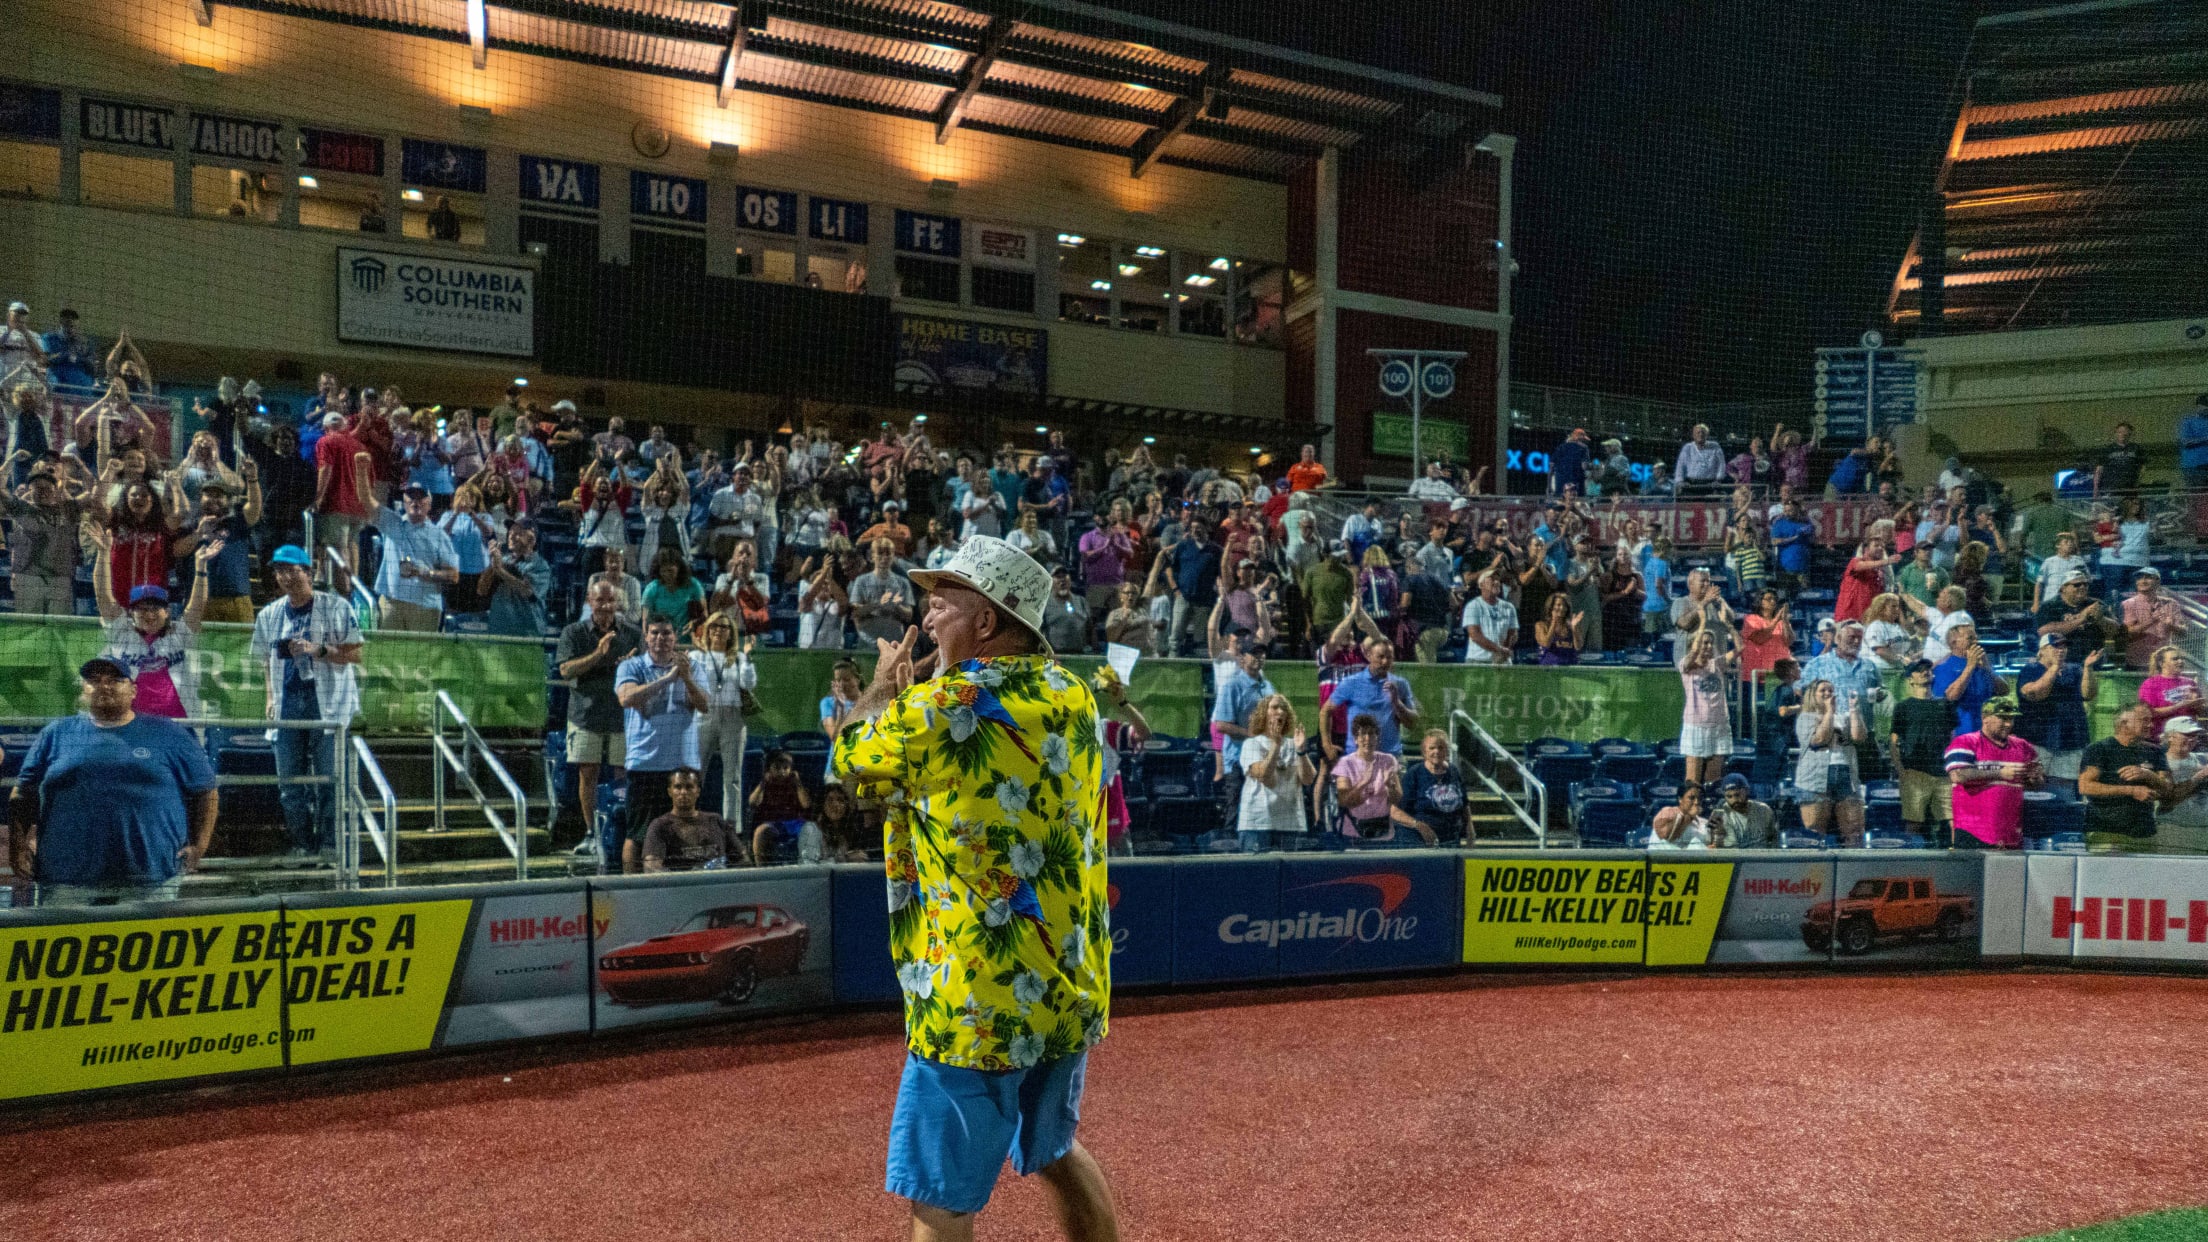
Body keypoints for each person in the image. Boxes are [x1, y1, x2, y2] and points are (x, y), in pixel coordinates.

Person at [824, 534, 1117, 1239]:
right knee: (1055, 1151)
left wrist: (879, 686)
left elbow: (847, 761)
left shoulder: (946, 705)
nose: (924, 616)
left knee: (942, 1199)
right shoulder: (1072, 692)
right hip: (1066, 981)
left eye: (942, 601)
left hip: (975, 1000)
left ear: (987, 621)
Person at [9, 658, 220, 906]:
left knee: (146, 944)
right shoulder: (56, 733)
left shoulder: (169, 733)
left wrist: (200, 845)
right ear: (83, 691)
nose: (104, 686)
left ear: (133, 690)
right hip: (65, 878)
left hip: (148, 877)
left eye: (115, 680)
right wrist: (17, 846)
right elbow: (22, 794)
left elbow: (206, 791)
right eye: (94, 681)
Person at [250, 544, 363, 865]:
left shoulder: (336, 607)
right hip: (287, 705)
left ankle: (329, 845)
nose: (285, 577)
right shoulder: (268, 614)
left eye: (291, 570)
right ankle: (302, 845)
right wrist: (270, 696)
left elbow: (356, 653)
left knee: (329, 780)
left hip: (327, 703)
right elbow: (263, 660)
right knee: (289, 783)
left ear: (308, 572)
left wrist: (320, 650)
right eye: (279, 571)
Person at [92, 532, 219, 720]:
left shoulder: (179, 635)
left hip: (178, 725)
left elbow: (197, 605)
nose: (150, 615)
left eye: (156, 608)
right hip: (133, 726)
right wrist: (103, 554)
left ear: (167, 612)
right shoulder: (122, 633)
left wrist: (200, 569)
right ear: (131, 613)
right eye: (142, 609)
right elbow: (103, 595)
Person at [557, 582, 641, 861]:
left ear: (618, 604)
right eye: (599, 600)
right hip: (585, 715)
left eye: (610, 600)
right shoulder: (573, 632)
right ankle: (591, 833)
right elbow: (566, 670)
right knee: (588, 774)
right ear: (589, 601)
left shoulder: (632, 634)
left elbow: (643, 670)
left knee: (621, 776)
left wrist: (628, 666)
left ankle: (618, 831)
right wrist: (598, 655)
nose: (605, 605)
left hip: (621, 717)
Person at [615, 617, 706, 874]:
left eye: (667, 633)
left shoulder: (693, 666)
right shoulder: (632, 666)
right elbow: (626, 698)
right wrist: (668, 678)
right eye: (654, 633)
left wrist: (685, 678)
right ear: (646, 636)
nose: (660, 638)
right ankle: (630, 888)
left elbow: (704, 705)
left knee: (681, 833)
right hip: (645, 763)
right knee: (637, 833)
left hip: (682, 764)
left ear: (675, 638)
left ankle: (674, 886)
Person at [1943, 696, 2040, 850]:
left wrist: (2034, 778)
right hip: (1973, 832)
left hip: (2011, 834)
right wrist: (1999, 773)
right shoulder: (1966, 741)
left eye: (2011, 719)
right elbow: (1958, 775)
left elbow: (2037, 783)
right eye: (2002, 718)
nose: (2008, 724)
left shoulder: (2023, 746)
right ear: (1985, 718)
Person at [2078, 703, 2172, 852]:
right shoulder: (2100, 749)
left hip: (2145, 833)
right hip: (2107, 832)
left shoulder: (2155, 752)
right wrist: (2131, 790)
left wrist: (2148, 775)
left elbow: (2168, 789)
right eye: (2144, 720)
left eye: (2151, 720)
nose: (2151, 725)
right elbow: (2085, 786)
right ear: (2123, 723)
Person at [370, 484, 460, 631]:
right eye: (411, 497)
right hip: (391, 603)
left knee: (420, 654)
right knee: (388, 653)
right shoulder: (390, 522)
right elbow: (366, 500)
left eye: (420, 497)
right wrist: (361, 471)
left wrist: (426, 573)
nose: (415, 501)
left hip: (424, 606)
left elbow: (454, 575)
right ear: (404, 502)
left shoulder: (439, 535)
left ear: (429, 504)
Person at [1888, 659, 1959, 844]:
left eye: (1927, 669)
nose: (1925, 672)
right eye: (1919, 670)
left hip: (1943, 773)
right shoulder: (1903, 707)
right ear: (1910, 679)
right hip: (1915, 773)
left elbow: (1953, 740)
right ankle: (1909, 864)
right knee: (1913, 823)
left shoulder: (1945, 705)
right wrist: (1902, 771)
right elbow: (1894, 742)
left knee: (1952, 822)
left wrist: (1952, 769)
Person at [1236, 693, 1314, 852]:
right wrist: (1276, 745)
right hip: (1257, 824)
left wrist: (1301, 752)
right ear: (1263, 713)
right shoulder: (1251, 744)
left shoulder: (1294, 744)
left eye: (1284, 708)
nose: (1280, 712)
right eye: (1275, 707)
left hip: (1290, 823)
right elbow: (1264, 776)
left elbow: (1308, 779)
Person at [1795, 678, 1869, 843]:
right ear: (1812, 695)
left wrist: (1854, 709)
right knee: (1815, 832)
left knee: (1854, 831)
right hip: (1814, 779)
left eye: (1830, 690)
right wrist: (1829, 711)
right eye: (1823, 690)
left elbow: (1859, 737)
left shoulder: (1843, 717)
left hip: (1847, 776)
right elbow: (1820, 739)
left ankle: (1852, 867)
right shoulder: (1805, 717)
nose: (1828, 693)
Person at [640, 768, 749, 871]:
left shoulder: (716, 820)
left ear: (698, 791)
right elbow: (651, 867)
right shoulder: (660, 825)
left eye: (689, 787)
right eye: (678, 787)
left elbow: (743, 859)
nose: (683, 792)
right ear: (669, 791)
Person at [1211, 643, 1275, 815]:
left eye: (1262, 654)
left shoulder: (1267, 686)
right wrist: (1250, 734)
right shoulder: (1232, 686)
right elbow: (1221, 725)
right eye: (1254, 653)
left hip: (1262, 757)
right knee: (1236, 809)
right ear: (1242, 658)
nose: (1259, 657)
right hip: (1238, 760)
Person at [1326, 638, 1419, 757]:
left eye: (1389, 657)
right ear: (1369, 656)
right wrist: (1326, 744)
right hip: (1357, 758)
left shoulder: (1400, 684)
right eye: (1380, 657)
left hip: (1390, 758)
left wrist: (1396, 701)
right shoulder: (1352, 682)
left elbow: (1413, 724)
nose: (1385, 662)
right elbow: (1326, 711)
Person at [312, 411, 373, 573]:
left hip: (335, 504)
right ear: (345, 425)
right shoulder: (361, 447)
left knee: (338, 548)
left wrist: (317, 498)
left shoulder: (325, 442)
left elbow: (325, 469)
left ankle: (341, 587)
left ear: (325, 427)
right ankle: (353, 587)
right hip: (359, 508)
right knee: (352, 545)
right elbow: (370, 479)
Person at [1676, 628, 1736, 788]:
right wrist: (1702, 620)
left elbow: (1740, 648)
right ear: (1694, 645)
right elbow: (1694, 651)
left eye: (1711, 643)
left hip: (1719, 725)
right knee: (1693, 782)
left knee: (1714, 782)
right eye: (1705, 643)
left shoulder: (1717, 664)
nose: (1709, 646)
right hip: (1696, 725)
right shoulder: (1686, 665)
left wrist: (1729, 625)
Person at [1931, 624, 2009, 736]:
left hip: (1986, 733)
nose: (1976, 642)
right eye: (1970, 638)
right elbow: (1951, 696)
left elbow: (2004, 691)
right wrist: (1970, 666)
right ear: (1954, 642)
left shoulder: (1983, 665)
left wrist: (1988, 668)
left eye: (1976, 638)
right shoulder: (1944, 667)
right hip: (1960, 734)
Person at [1333, 715, 1401, 839]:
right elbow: (1343, 801)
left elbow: (1397, 799)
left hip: (1383, 832)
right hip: (1353, 832)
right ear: (1355, 739)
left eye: (1371, 734)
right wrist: (1363, 783)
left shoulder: (1388, 760)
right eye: (1362, 734)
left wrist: (1389, 786)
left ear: (1377, 738)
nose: (1367, 738)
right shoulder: (1345, 763)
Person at [1394, 728, 1467, 845]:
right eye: (1432, 748)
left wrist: (1471, 832)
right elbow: (1394, 811)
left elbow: (1464, 804)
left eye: (1441, 748)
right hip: (1419, 840)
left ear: (1447, 751)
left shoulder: (1453, 771)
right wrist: (1418, 825)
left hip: (1451, 839)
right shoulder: (1414, 773)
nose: (1437, 751)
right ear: (1424, 752)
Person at [747, 750, 815, 864]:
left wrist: (798, 783)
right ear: (769, 769)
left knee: (811, 830)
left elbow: (806, 804)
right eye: (777, 768)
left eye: (785, 768)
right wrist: (763, 783)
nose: (782, 772)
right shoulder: (766, 784)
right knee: (760, 832)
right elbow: (752, 802)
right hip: (774, 824)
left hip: (796, 822)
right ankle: (761, 869)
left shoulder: (795, 783)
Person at [2154, 717, 2208, 854]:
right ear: (2170, 736)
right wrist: (2200, 776)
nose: (2192, 739)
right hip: (2175, 829)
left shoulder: (2203, 758)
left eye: (2194, 735)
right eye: (2187, 735)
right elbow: (2167, 799)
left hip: (2204, 828)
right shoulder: (2159, 764)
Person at [2120, 566, 2187, 670]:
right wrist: (2151, 621)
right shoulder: (2127, 604)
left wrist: (2171, 625)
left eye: (2148, 577)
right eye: (2139, 578)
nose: (2143, 581)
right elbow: (2126, 634)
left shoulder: (2171, 604)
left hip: (2164, 664)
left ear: (2158, 582)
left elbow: (2183, 633)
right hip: (2138, 662)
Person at [2138, 646, 2201, 740]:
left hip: (2188, 736)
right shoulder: (2150, 683)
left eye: (2181, 658)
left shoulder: (2190, 682)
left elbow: (2199, 712)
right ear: (2161, 663)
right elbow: (2148, 713)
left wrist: (2197, 704)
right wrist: (2179, 705)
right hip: (2162, 737)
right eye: (2175, 659)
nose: (2180, 661)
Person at [1460, 571, 1518, 664]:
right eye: (1492, 579)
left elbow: (1513, 633)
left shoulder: (1509, 607)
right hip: (1478, 660)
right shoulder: (1473, 606)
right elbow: (1475, 635)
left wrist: (1504, 651)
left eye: (1498, 579)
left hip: (1502, 661)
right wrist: (1499, 649)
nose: (1497, 582)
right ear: (1481, 585)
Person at [1709, 774, 1775, 848]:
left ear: (1747, 791)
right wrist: (1719, 835)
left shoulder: (1764, 811)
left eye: (1737, 795)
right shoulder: (1720, 814)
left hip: (1760, 857)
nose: (1734, 800)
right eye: (1729, 796)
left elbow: (1773, 839)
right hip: (1732, 857)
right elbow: (1714, 845)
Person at [1648, 784, 1712, 849]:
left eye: (1700, 798)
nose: (1697, 802)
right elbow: (1665, 836)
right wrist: (1689, 817)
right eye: (1691, 798)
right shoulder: (1667, 812)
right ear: (1680, 799)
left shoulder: (1704, 822)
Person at [1673, 424, 1726, 497]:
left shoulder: (1715, 446)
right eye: (1698, 432)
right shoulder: (1687, 447)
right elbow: (1680, 465)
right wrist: (1680, 481)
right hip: (1691, 485)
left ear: (1707, 435)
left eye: (1703, 433)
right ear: (1693, 435)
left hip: (1710, 484)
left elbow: (1721, 464)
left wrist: (1718, 480)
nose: (1700, 434)